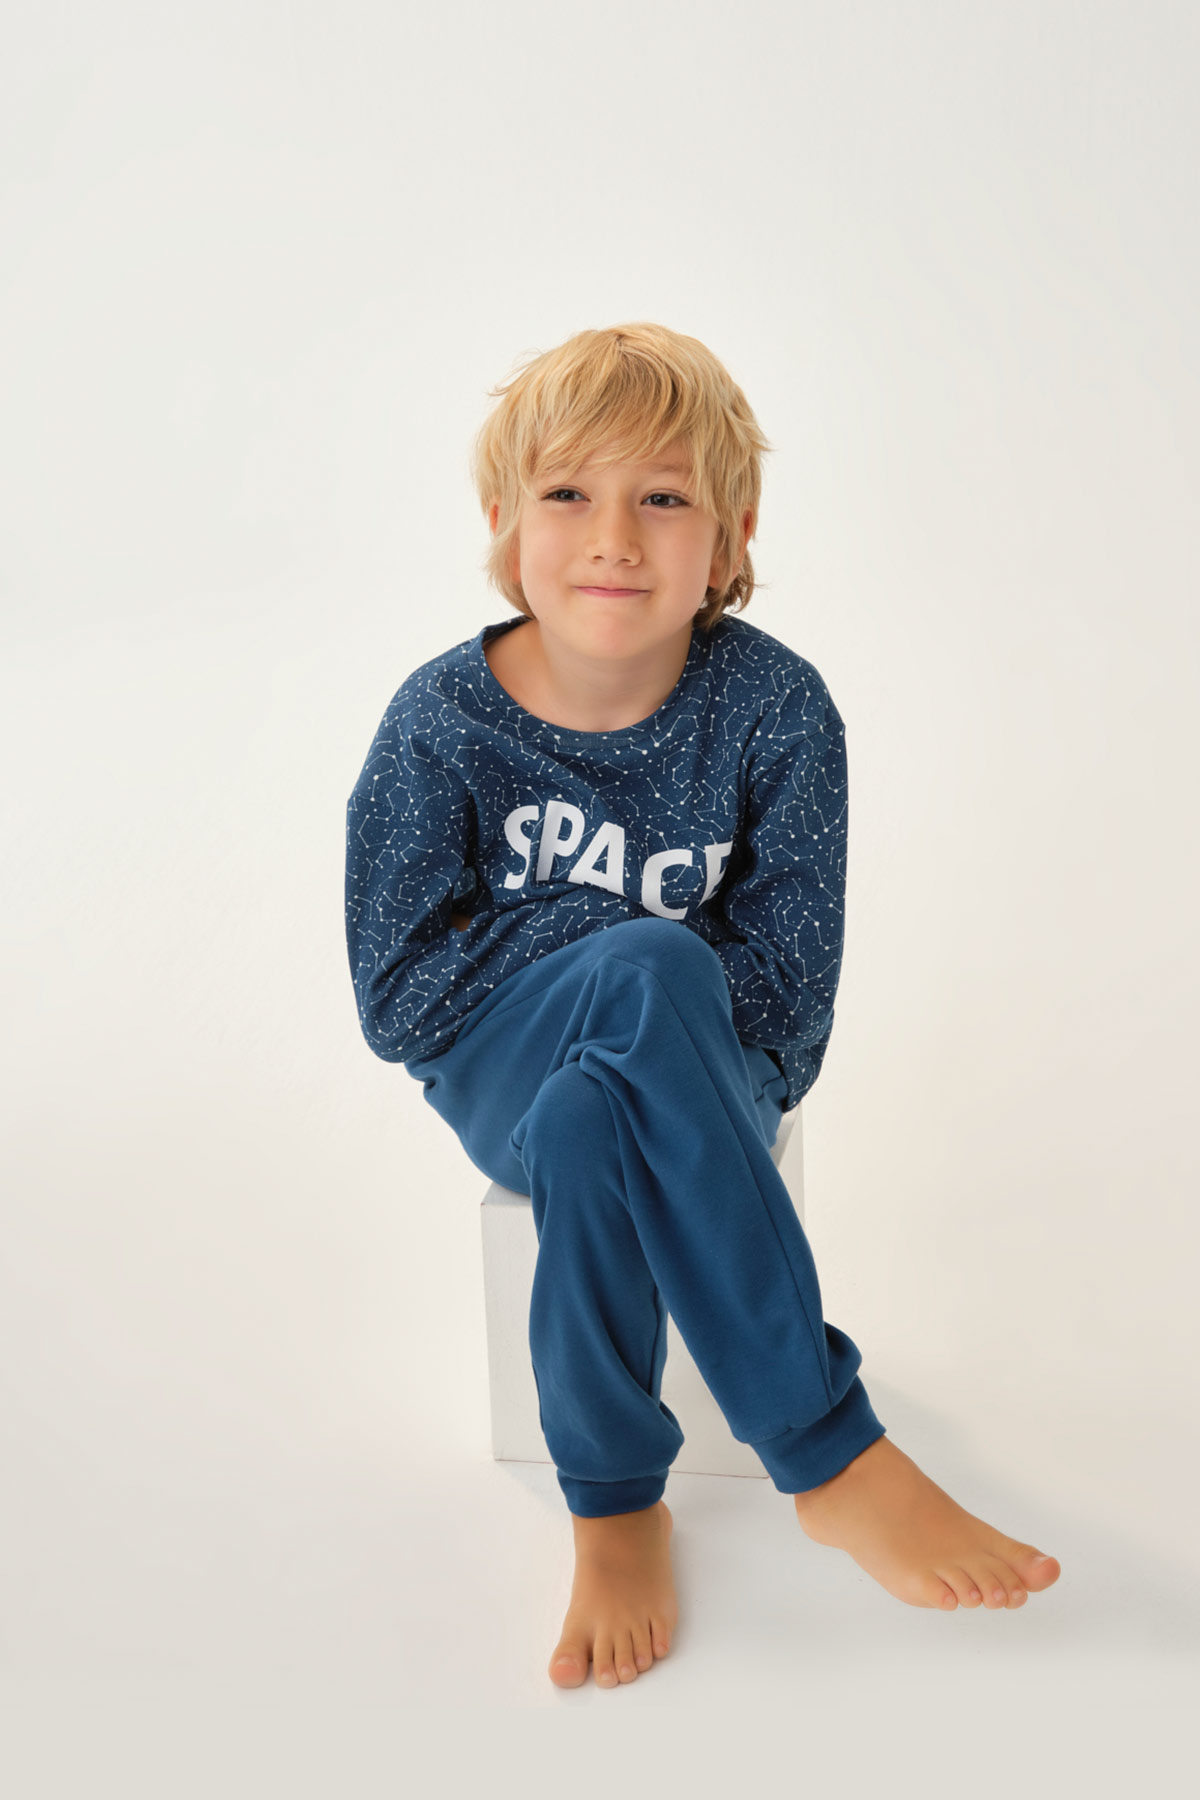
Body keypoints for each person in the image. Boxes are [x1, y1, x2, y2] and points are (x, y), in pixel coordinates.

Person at [344, 321, 1061, 1691]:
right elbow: (401, 995)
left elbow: (786, 993)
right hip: (493, 1060)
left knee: (593, 1118)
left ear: (732, 536)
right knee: (645, 974)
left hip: (713, 1069)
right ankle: (826, 1450)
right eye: (568, 493)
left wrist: (645, 1002)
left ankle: (613, 1504)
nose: (615, 537)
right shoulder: (441, 723)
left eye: (664, 498)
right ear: (502, 524)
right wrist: (611, 954)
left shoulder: (775, 709)